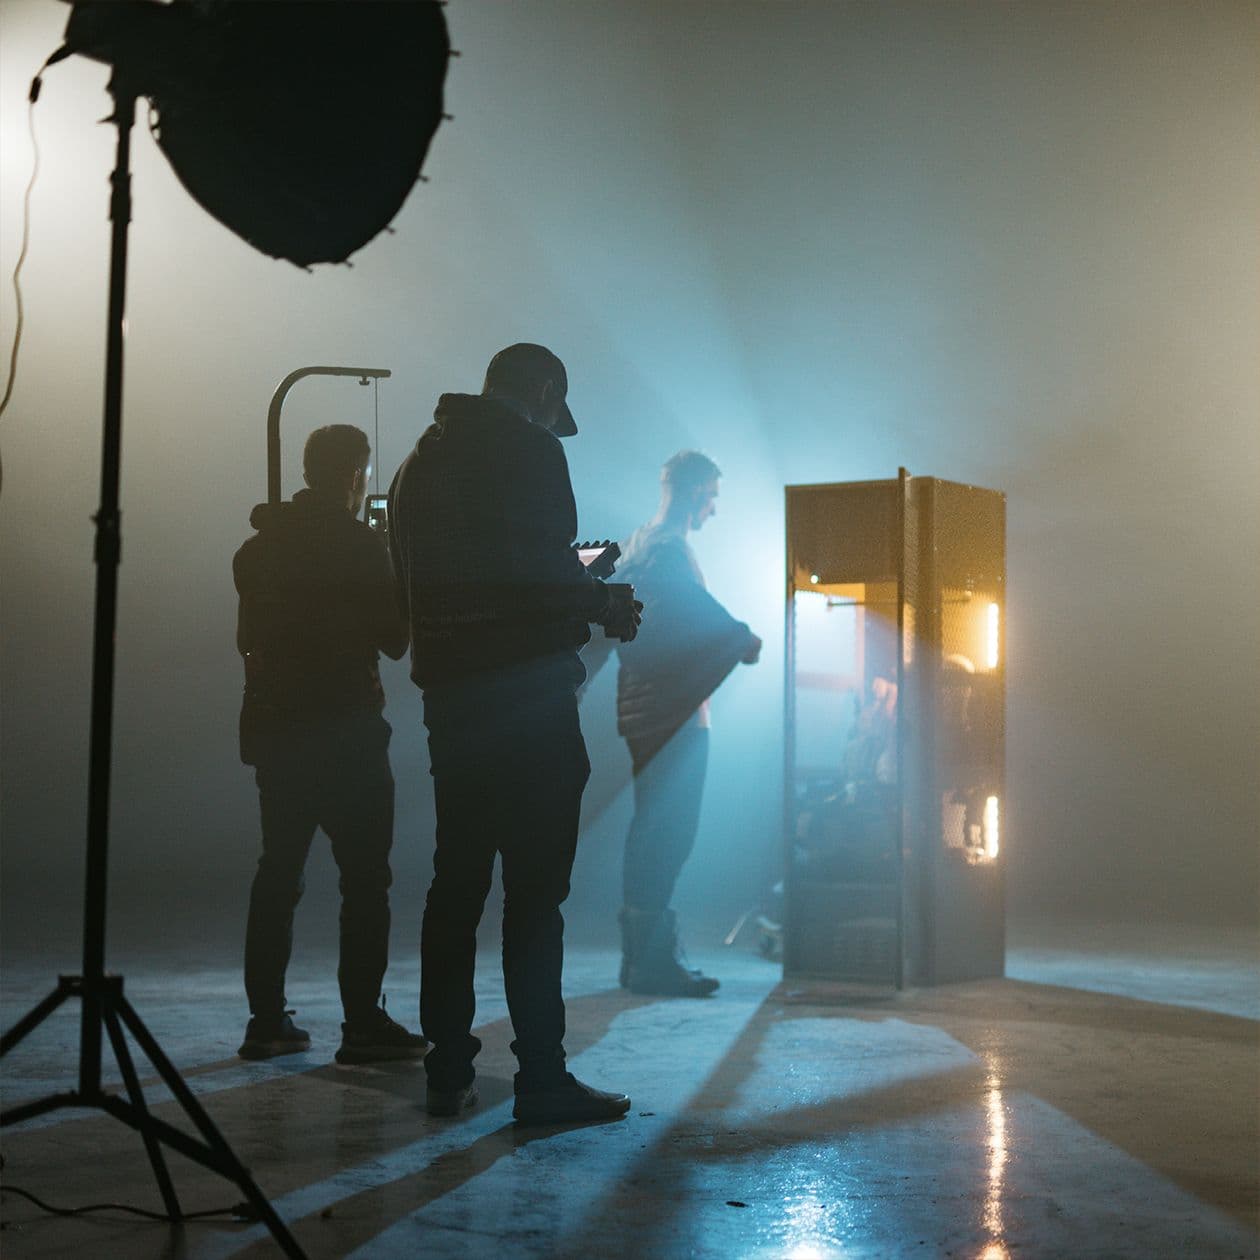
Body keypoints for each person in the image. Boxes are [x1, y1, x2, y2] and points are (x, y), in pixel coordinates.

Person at [389, 343, 640, 1124]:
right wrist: (602, 600)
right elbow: (536, 573)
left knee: (455, 885)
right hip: (528, 701)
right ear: (539, 391)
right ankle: (541, 1079)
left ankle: (447, 1069)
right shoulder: (528, 449)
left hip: (452, 702)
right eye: (548, 409)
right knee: (535, 897)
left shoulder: (417, 462)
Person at [233, 424, 427, 1065]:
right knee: (365, 882)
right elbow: (396, 641)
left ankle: (265, 1021)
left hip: (277, 728)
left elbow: (247, 642)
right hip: (346, 730)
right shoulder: (361, 546)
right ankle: (362, 1024)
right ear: (354, 477)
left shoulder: (256, 551)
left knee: (277, 873)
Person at [612, 451, 761, 996]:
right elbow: (696, 617)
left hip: (641, 711)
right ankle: (651, 963)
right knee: (668, 835)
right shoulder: (669, 552)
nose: (715, 510)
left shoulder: (636, 544)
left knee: (652, 832)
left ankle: (641, 961)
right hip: (671, 716)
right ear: (697, 490)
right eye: (713, 497)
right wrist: (742, 638)